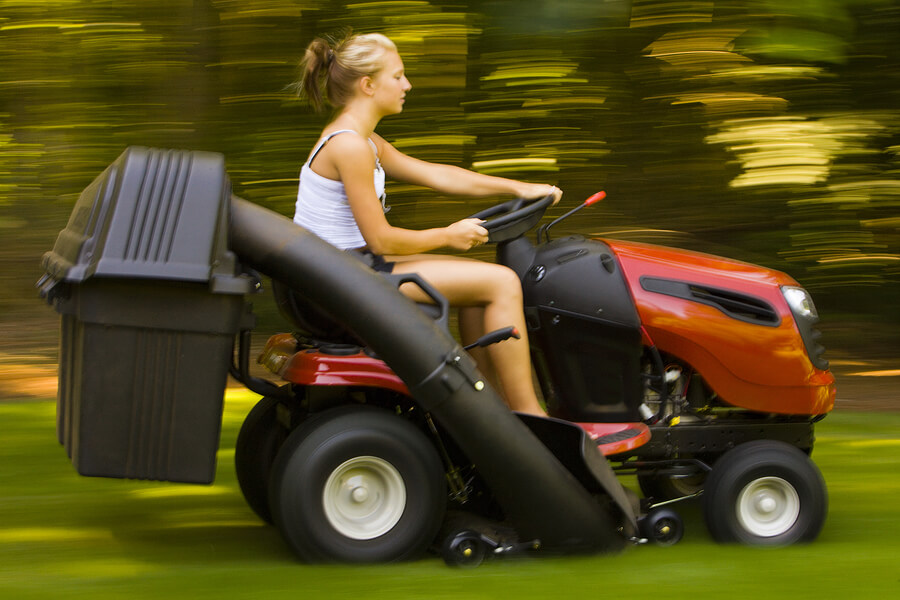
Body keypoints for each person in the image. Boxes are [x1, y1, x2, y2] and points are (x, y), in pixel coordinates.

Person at [292, 32, 561, 416]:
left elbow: (440, 176)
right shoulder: (349, 146)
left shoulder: (365, 141)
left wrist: (521, 186)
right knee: (502, 282)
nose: (407, 85)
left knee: (480, 285)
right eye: (398, 76)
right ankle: (529, 417)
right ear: (368, 85)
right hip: (345, 278)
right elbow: (381, 240)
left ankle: (491, 410)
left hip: (346, 270)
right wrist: (448, 236)